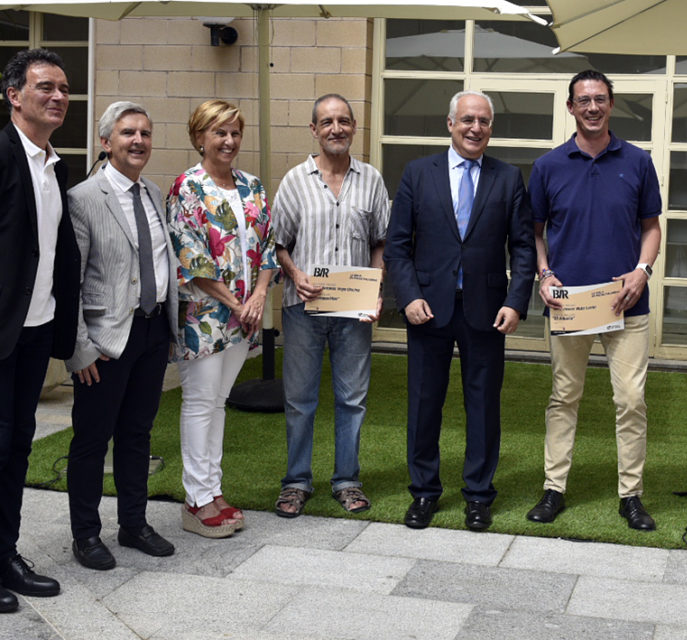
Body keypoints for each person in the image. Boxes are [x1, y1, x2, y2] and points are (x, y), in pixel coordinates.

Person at [384, 90, 535, 531]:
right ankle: (425, 493)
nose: (475, 128)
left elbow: (523, 248)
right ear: (450, 124)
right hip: (428, 308)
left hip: (488, 310)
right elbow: (397, 245)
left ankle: (478, 495)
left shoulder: (508, 178)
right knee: (424, 404)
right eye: (467, 119)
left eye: (484, 121)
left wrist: (516, 302)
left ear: (491, 128)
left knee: (483, 405)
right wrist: (408, 296)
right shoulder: (417, 174)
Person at [525, 70, 662, 532]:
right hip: (570, 305)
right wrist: (544, 275)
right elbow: (535, 233)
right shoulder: (548, 166)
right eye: (583, 100)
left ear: (612, 104)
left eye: (600, 99)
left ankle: (632, 496)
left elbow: (652, 227)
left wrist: (642, 272)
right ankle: (554, 488)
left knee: (631, 400)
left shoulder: (638, 161)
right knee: (564, 397)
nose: (592, 107)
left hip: (626, 304)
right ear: (570, 107)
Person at [65, 101, 178, 571]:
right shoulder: (84, 198)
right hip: (105, 340)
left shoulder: (152, 191)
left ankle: (133, 523)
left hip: (152, 331)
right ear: (106, 141)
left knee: (137, 433)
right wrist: (79, 348)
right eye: (128, 133)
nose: (138, 141)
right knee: (93, 439)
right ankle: (86, 535)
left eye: (145, 134)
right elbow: (69, 280)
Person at [272, 94, 389, 518]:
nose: (335, 129)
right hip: (302, 309)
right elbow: (278, 244)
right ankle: (296, 482)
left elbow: (380, 241)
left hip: (353, 310)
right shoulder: (294, 181)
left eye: (343, 121)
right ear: (314, 130)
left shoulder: (372, 180)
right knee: (300, 399)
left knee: (352, 399)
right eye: (326, 122)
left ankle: (347, 480)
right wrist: (294, 273)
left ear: (354, 127)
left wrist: (375, 288)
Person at [167, 99, 278, 538]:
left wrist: (260, 295)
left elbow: (269, 246)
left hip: (245, 316)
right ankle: (195, 500)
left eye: (234, 132)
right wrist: (238, 304)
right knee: (198, 403)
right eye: (219, 132)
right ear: (199, 138)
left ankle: (212, 490)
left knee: (218, 403)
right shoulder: (186, 188)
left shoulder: (252, 186)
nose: (229, 140)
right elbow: (190, 259)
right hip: (205, 318)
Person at [0, 48, 79, 613]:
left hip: (34, 331)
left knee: (18, 446)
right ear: (13, 95)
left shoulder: (56, 164)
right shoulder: (1, 155)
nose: (57, 96)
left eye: (64, 89)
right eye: (45, 87)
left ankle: (5, 554)